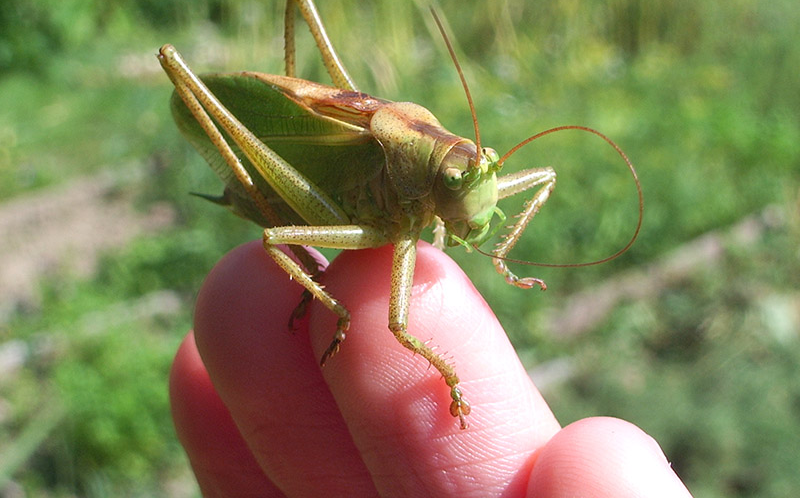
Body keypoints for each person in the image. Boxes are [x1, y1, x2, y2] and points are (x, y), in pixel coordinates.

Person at [170, 240, 694, 497]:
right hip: (303, 199)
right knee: (287, 253)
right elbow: (395, 327)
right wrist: (335, 310)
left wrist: (501, 259)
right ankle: (337, 308)